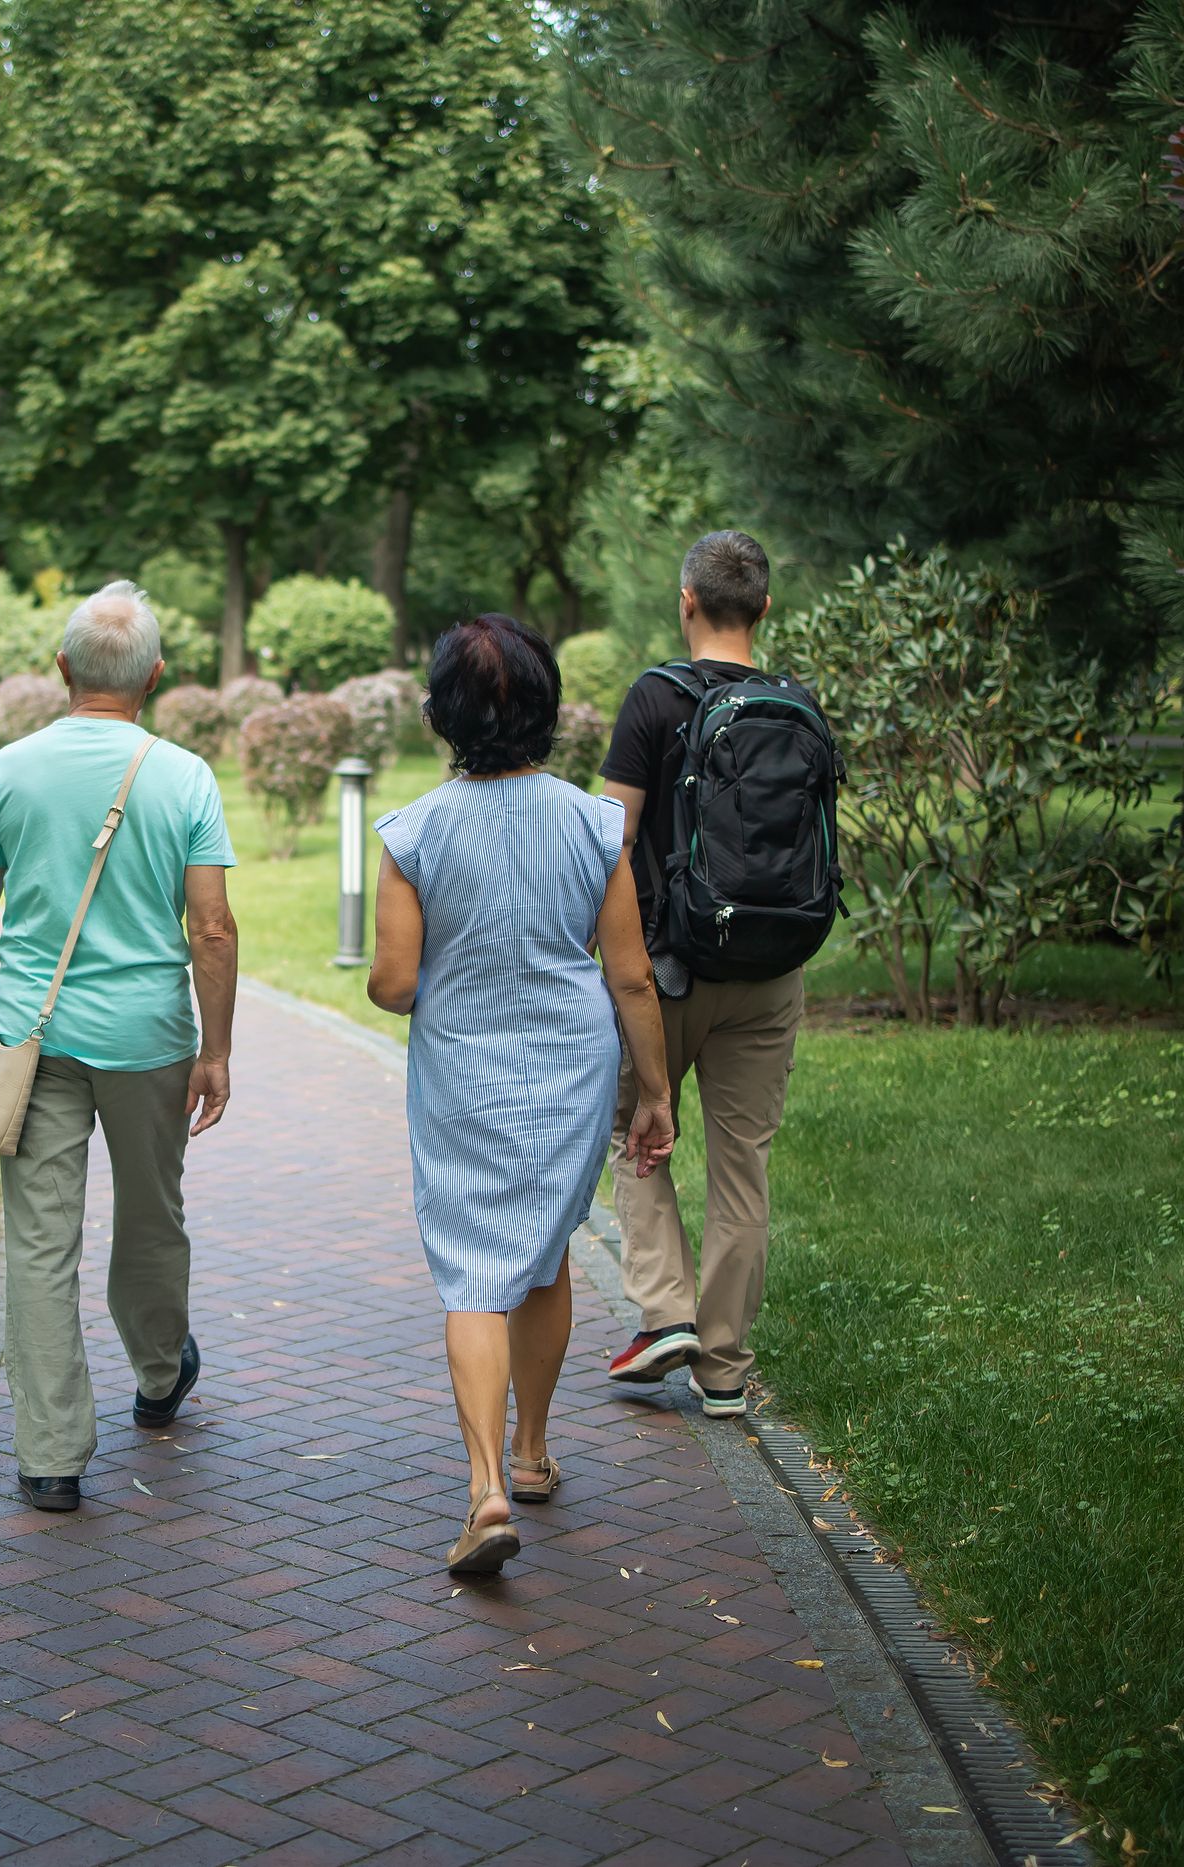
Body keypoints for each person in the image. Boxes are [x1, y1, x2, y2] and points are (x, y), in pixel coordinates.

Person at [368, 613, 677, 1575]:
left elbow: (395, 982)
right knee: (544, 1253)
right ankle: (537, 1451)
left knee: (470, 1271)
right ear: (546, 710)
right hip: (572, 1066)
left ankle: (486, 1488)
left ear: (442, 715)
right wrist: (655, 1092)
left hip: (463, 1067)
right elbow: (630, 976)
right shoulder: (596, 823)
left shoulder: (413, 834)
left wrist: (421, 976)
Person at [0, 581, 240, 1513]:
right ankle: (159, 1378)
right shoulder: (184, 773)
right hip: (149, 1037)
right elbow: (213, 928)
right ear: (154, 677)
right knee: (153, 1216)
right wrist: (217, 1048)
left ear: (64, 668)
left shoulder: (12, 767)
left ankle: (49, 1455)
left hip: (34, 1035)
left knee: (39, 1240)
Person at [597, 530, 808, 1418]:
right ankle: (724, 1367)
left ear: (685, 600)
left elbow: (607, 838)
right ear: (764, 608)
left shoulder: (655, 699)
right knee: (741, 1169)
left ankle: (666, 1311)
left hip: (668, 966)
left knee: (630, 1129)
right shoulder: (798, 703)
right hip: (771, 969)